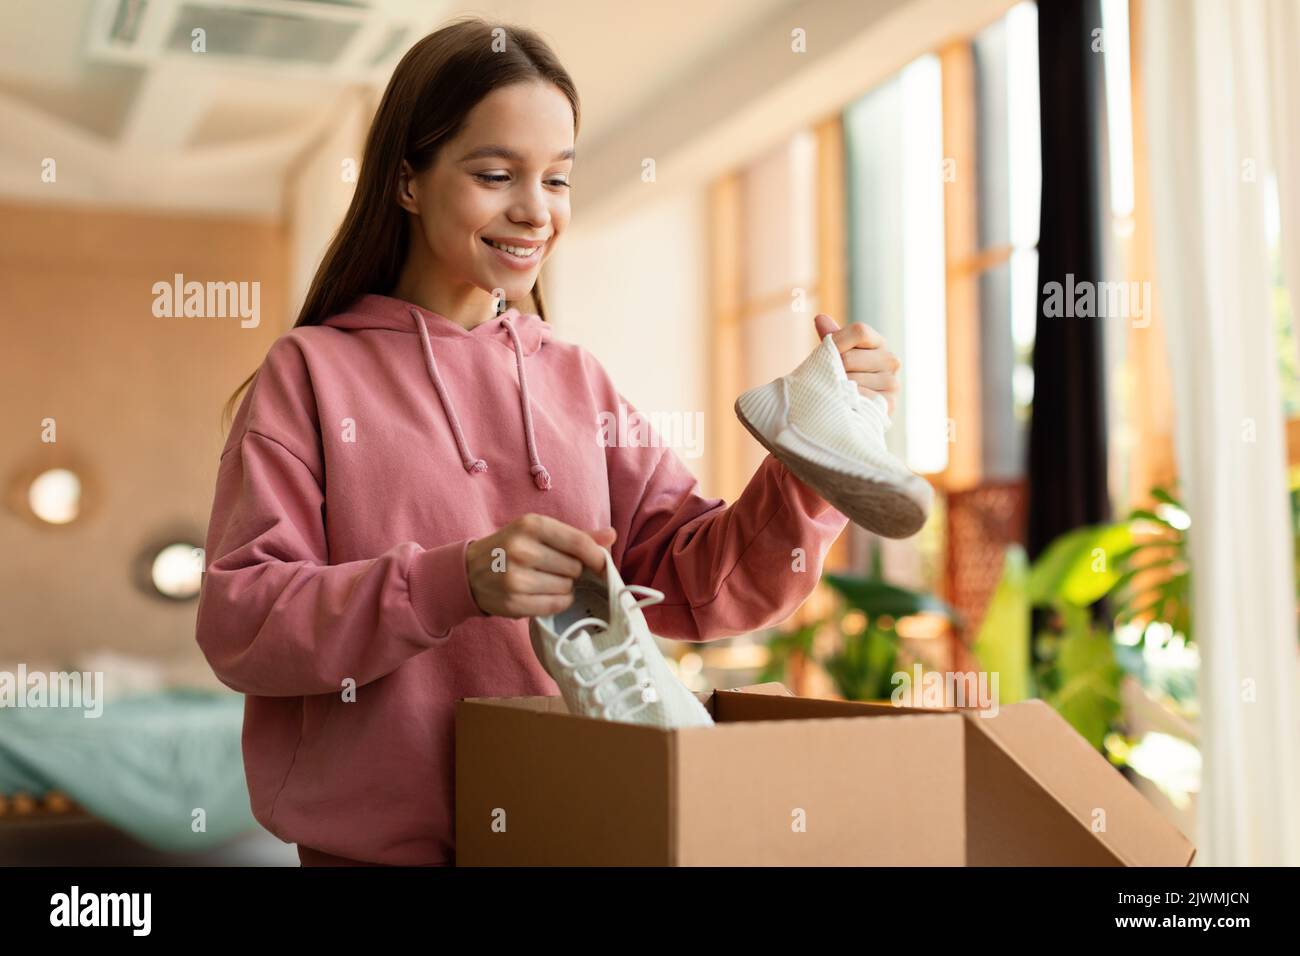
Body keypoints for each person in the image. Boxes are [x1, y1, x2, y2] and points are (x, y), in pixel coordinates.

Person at [196, 16, 902, 867]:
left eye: (558, 180)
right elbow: (241, 624)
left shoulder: (574, 374)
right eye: (496, 175)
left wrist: (803, 472)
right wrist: (453, 580)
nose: (535, 211)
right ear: (408, 180)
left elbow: (699, 585)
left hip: (574, 832)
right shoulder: (309, 373)